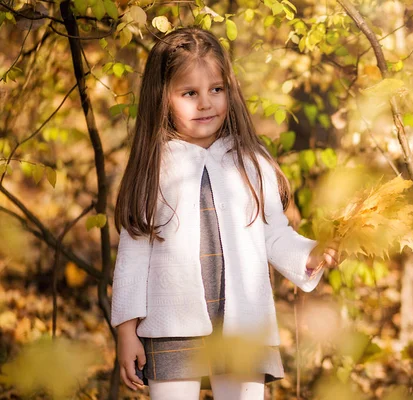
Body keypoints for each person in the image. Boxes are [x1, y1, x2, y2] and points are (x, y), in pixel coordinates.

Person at [110, 27, 339, 400]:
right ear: (161, 98)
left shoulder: (250, 161)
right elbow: (134, 253)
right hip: (172, 324)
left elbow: (274, 233)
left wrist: (310, 254)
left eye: (216, 90)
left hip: (244, 324)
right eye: (189, 94)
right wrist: (126, 330)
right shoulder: (155, 167)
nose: (206, 103)